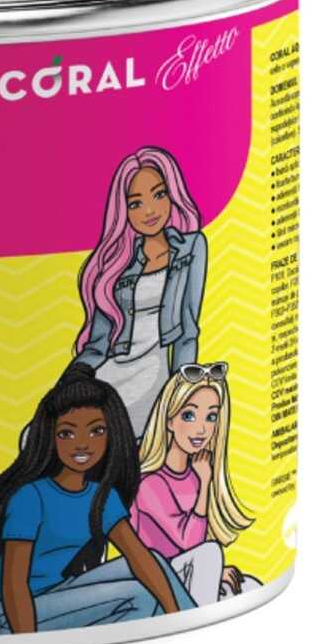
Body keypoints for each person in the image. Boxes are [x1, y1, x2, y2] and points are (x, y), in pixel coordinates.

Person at [0, 371, 195, 635]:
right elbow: (14, 584)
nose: (82, 444)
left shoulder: (102, 497)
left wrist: (175, 614)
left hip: (57, 597)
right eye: (66, 433)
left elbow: (140, 557)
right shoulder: (31, 498)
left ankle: (189, 631)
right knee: (140, 596)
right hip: (4, 617)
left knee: (154, 563)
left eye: (96, 431)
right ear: (50, 437)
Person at [70, 146, 207, 437]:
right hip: (109, 377)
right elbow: (98, 345)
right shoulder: (116, 263)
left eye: (159, 194)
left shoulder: (191, 247)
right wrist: (71, 381)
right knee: (43, 434)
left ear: (172, 194)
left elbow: (187, 332)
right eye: (135, 203)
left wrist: (181, 393)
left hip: (153, 378)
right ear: (124, 211)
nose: (149, 211)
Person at [132, 363, 258, 604]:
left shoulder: (195, 474)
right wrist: (205, 483)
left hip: (185, 575)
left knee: (249, 585)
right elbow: (190, 543)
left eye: (211, 417)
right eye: (188, 415)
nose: (202, 429)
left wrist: (214, 573)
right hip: (153, 583)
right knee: (210, 554)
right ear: (169, 420)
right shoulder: (149, 483)